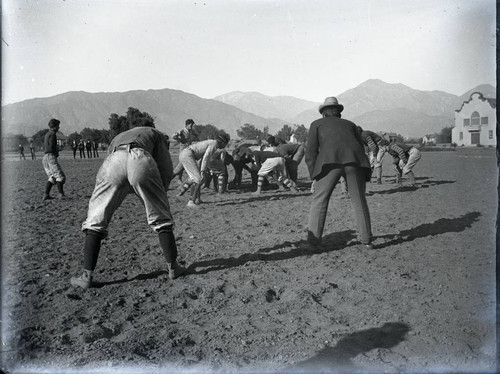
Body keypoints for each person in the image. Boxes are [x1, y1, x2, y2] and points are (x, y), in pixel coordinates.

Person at [70, 124, 185, 289]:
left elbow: (112, 162)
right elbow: (165, 167)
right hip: (140, 157)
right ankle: (173, 267)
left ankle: (86, 275)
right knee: (160, 216)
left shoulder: (120, 135)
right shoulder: (155, 133)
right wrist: (159, 194)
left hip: (114, 160)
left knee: (96, 217)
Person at [305, 97, 372, 247]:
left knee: (320, 201)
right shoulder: (351, 124)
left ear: (323, 113)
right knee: (359, 200)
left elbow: (310, 152)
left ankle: (313, 242)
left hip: (329, 163)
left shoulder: (316, 124)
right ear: (339, 112)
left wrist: (314, 175)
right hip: (355, 162)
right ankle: (366, 240)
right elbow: (360, 148)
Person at [177, 133, 230, 207]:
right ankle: (191, 201)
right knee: (198, 179)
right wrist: (203, 170)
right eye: (226, 144)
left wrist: (201, 169)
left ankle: (197, 199)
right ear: (223, 142)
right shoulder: (214, 144)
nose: (225, 146)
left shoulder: (212, 143)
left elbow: (202, 157)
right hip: (188, 155)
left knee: (196, 178)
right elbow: (206, 157)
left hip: (187, 154)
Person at [42, 119, 66, 200]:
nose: (59, 127)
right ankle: (61, 194)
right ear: (55, 127)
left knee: (52, 177)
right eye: (58, 126)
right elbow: (51, 146)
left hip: (45, 157)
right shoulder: (52, 134)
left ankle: (46, 194)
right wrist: (56, 151)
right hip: (50, 156)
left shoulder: (47, 134)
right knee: (60, 176)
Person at [172, 119, 199, 185]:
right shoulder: (181, 131)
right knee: (181, 164)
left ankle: (179, 179)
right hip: (183, 148)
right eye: (191, 125)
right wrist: (180, 140)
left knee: (184, 165)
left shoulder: (190, 132)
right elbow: (173, 136)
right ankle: (178, 178)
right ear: (188, 124)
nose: (192, 126)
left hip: (188, 148)